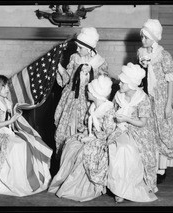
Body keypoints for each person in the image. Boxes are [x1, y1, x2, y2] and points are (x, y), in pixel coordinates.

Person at [0, 75, 53, 197]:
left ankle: (27, 179)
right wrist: (10, 121)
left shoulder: (7, 102)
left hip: (8, 132)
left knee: (28, 142)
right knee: (17, 146)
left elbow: (13, 117)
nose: (7, 89)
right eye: (3, 87)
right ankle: (9, 181)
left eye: (7, 87)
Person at [48, 75, 116, 202]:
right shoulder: (92, 106)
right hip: (91, 136)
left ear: (95, 94)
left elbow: (108, 132)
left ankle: (81, 188)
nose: (86, 92)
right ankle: (64, 180)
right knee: (70, 143)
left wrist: (91, 138)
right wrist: (85, 133)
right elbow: (88, 125)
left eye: (89, 91)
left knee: (81, 153)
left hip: (102, 141)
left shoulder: (108, 110)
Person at [107, 63, 158, 203]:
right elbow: (111, 112)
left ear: (130, 84)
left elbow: (143, 123)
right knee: (120, 148)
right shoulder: (118, 95)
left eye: (123, 82)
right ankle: (119, 188)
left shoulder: (143, 98)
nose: (120, 84)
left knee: (129, 150)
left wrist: (127, 119)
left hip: (139, 131)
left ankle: (128, 188)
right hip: (120, 128)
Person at [54, 27, 108, 155]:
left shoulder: (100, 63)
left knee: (83, 129)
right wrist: (59, 68)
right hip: (71, 99)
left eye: (80, 47)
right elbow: (67, 79)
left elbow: (104, 86)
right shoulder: (74, 57)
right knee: (65, 128)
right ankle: (64, 159)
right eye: (77, 47)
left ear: (89, 49)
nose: (77, 50)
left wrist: (92, 72)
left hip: (88, 102)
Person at [137, 19, 173, 183]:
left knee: (163, 132)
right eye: (142, 37)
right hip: (148, 97)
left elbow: (170, 82)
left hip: (162, 98)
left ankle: (161, 169)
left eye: (146, 38)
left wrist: (168, 104)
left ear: (154, 38)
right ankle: (150, 167)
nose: (143, 41)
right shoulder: (141, 52)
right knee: (150, 131)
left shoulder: (164, 55)